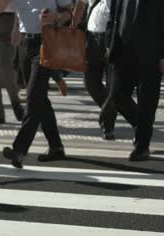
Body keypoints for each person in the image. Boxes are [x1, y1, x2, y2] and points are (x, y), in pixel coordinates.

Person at [0, 0, 73, 169]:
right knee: (40, 99)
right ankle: (56, 147)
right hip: (24, 43)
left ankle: (19, 150)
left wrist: (56, 16)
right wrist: (15, 26)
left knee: (33, 97)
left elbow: (69, 12)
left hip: (46, 42)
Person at [106, 0, 164, 161]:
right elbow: (113, 16)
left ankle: (142, 146)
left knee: (147, 101)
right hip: (122, 51)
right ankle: (142, 128)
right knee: (117, 96)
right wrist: (109, 43)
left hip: (150, 54)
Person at [74, 0, 118, 140]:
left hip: (113, 39)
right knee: (90, 83)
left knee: (113, 86)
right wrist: (73, 26)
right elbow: (81, 3)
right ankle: (111, 112)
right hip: (92, 38)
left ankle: (108, 125)